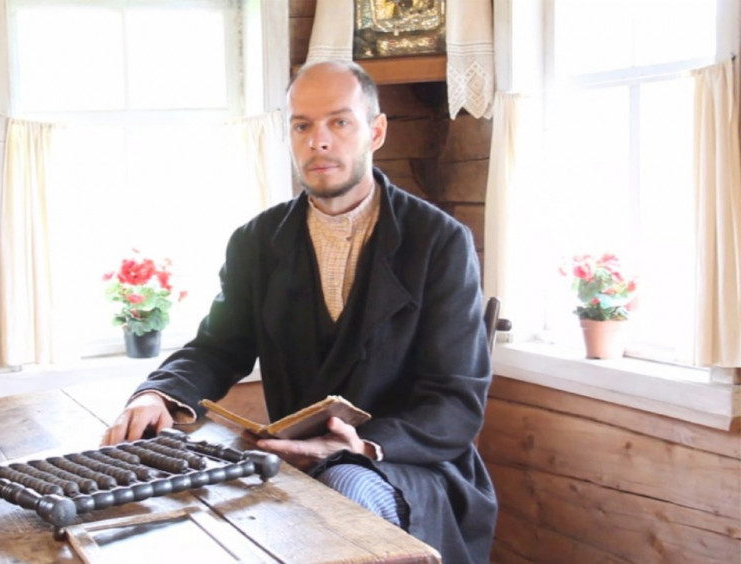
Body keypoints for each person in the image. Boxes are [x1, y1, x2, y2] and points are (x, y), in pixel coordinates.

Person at [102, 60, 497, 563]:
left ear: (376, 132)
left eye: (340, 122)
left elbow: (455, 402)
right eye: (302, 126)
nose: (319, 141)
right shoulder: (256, 241)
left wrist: (360, 445)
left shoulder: (439, 241)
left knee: (343, 489)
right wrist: (158, 393)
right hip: (296, 458)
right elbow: (218, 348)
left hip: (412, 465)